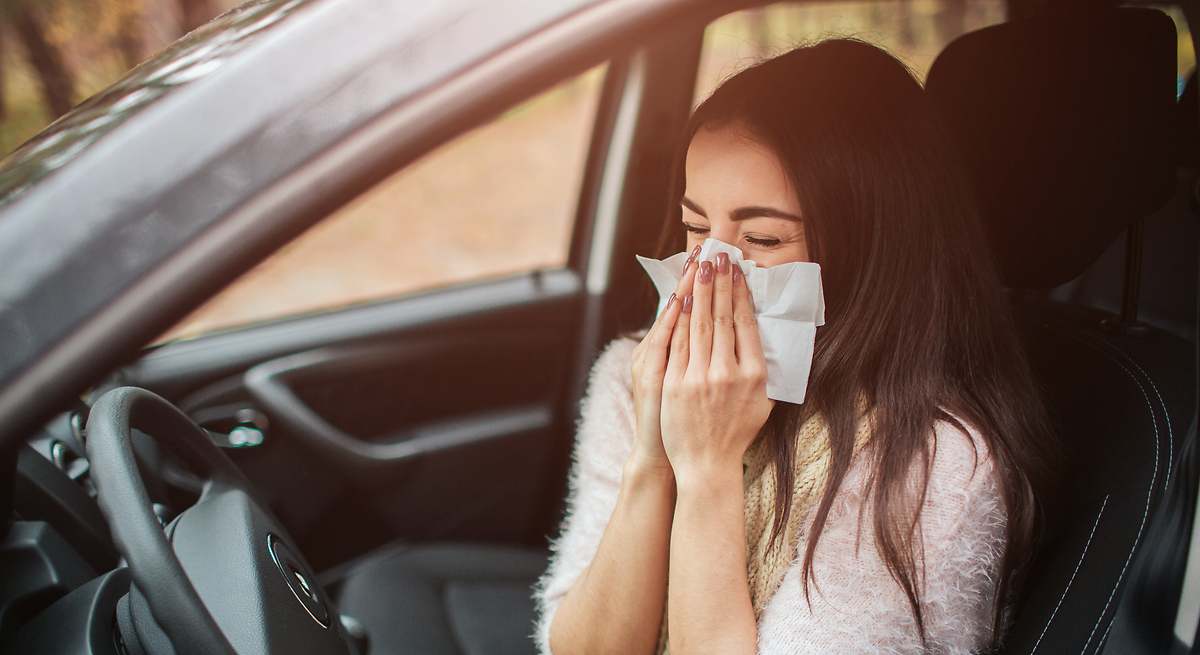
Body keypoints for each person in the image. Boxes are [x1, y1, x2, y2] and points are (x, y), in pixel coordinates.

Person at [531, 37, 1060, 654]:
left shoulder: (928, 461)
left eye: (762, 237)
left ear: (869, 256)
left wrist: (707, 470)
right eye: (697, 226)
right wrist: (653, 458)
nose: (708, 269)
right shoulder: (636, 374)